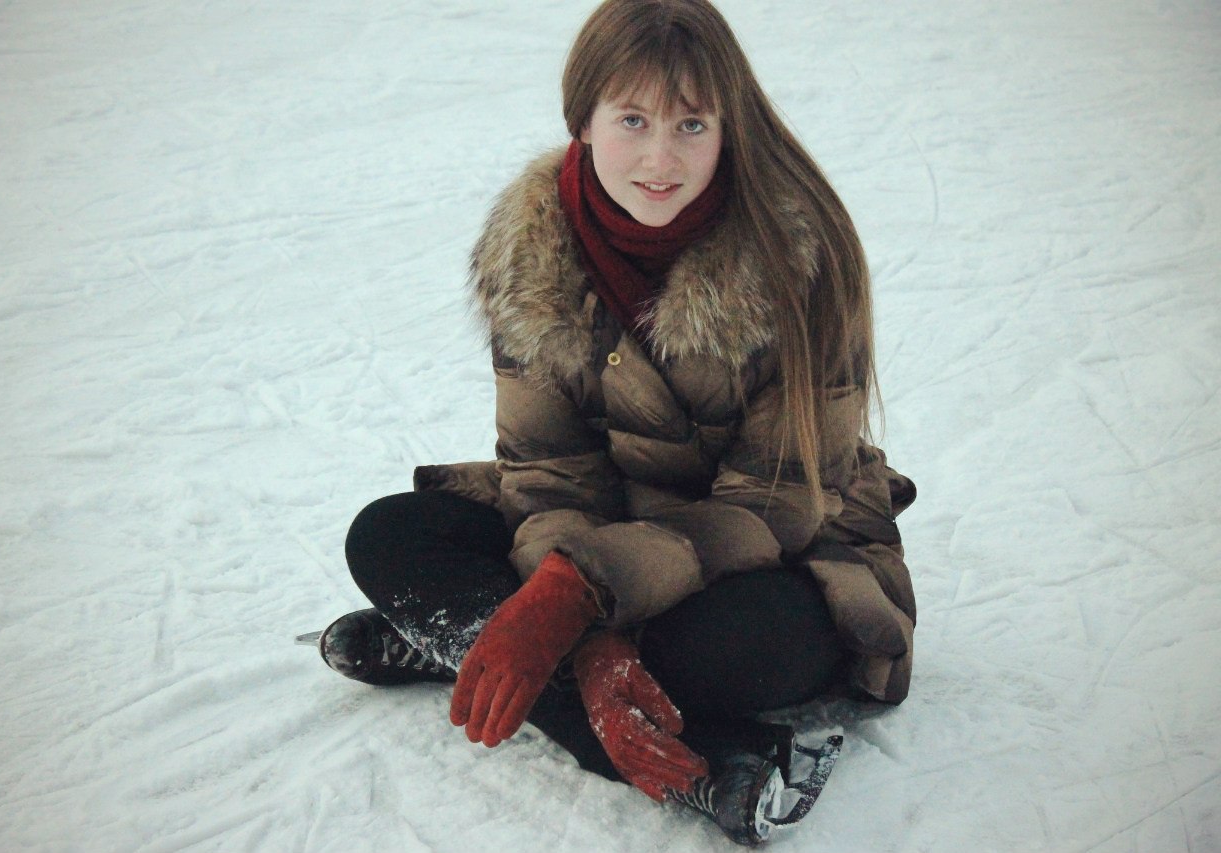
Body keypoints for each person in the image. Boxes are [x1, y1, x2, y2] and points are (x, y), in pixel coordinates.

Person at [310, 0, 917, 845]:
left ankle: (471, 653)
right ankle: (705, 761)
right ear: (583, 120)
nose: (661, 158)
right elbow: (551, 477)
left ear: (728, 126)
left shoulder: (799, 256)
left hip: (770, 551)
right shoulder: (531, 253)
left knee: (735, 646)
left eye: (691, 124)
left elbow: (775, 502)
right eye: (632, 120)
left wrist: (574, 595)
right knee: (388, 534)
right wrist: (590, 642)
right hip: (599, 536)